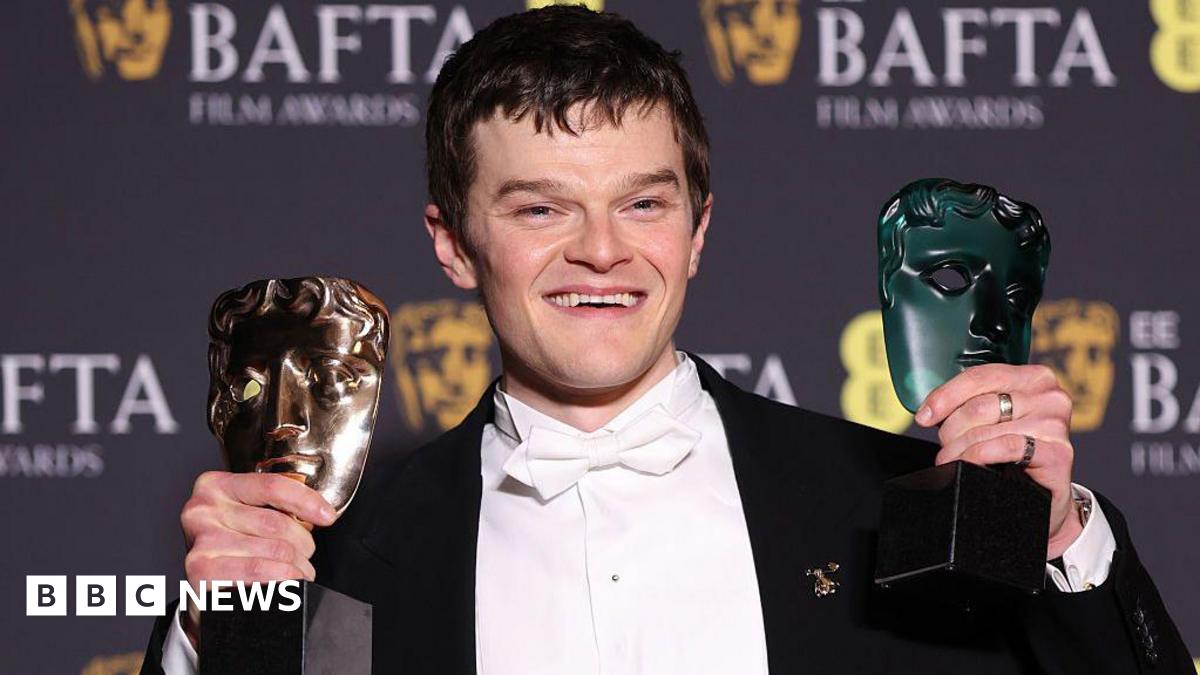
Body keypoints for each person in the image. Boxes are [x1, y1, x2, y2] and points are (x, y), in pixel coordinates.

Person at [142, 6, 1191, 674]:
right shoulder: (338, 564)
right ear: (455, 246)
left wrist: (1058, 542)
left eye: (641, 205)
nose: (603, 252)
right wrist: (213, 636)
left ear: (698, 230)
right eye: (542, 211)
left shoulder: (899, 509)